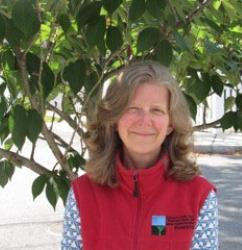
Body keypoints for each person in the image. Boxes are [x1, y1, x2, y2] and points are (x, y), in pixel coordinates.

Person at [61, 60, 218, 250]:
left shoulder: (199, 196)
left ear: (170, 124)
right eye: (133, 109)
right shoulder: (82, 193)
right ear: (114, 118)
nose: (145, 121)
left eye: (157, 110)